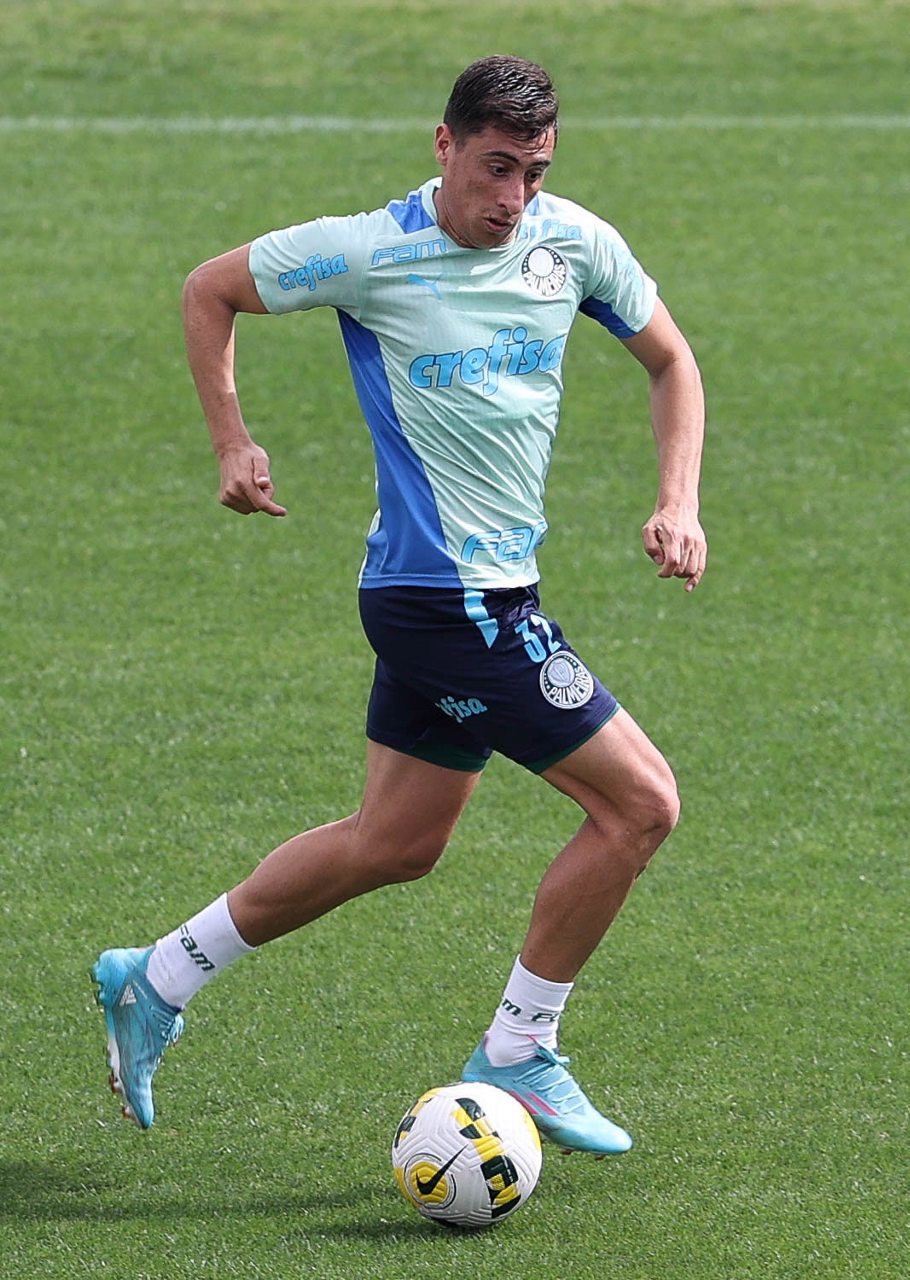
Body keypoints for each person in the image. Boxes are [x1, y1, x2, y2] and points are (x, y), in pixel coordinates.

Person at [92, 55, 706, 1158]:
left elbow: (671, 361)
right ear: (444, 144)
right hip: (449, 604)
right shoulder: (370, 252)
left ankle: (157, 976)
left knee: (396, 840)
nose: (513, 196)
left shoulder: (572, 244)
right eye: (495, 167)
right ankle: (519, 1046)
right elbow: (208, 289)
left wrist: (677, 498)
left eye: (533, 171)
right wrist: (232, 441)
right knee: (641, 805)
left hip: (474, 594)